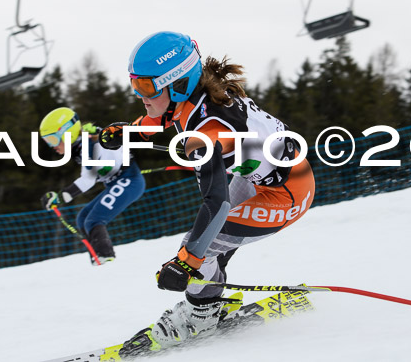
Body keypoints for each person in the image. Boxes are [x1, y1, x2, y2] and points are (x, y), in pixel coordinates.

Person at [99, 31, 315, 346]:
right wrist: (129, 131)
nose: (138, 94)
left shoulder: (207, 134)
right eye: (134, 83)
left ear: (177, 84)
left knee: (198, 245)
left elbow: (216, 202)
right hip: (263, 177)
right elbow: (167, 118)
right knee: (207, 248)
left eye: (145, 85)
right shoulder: (195, 98)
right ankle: (210, 300)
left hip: (288, 193)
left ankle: (203, 315)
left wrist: (186, 262)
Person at [39, 107, 146, 264]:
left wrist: (59, 198)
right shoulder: (84, 143)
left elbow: (88, 180)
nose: (52, 146)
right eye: (48, 142)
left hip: (129, 181)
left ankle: (106, 258)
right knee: (82, 218)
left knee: (93, 220)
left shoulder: (88, 144)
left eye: (53, 140)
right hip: (118, 182)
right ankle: (98, 259)